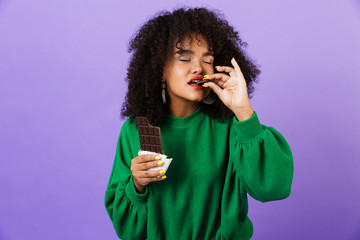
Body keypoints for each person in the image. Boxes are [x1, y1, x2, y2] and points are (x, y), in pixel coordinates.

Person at [105, 7, 294, 240]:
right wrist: (137, 185)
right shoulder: (135, 130)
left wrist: (244, 111)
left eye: (208, 59)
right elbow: (127, 231)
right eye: (184, 58)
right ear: (159, 70)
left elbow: (273, 189)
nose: (198, 67)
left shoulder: (231, 127)